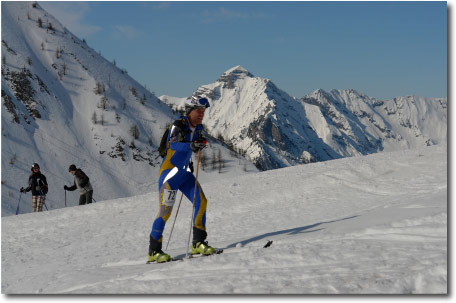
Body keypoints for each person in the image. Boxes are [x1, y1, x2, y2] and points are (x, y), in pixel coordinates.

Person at [148, 96, 215, 263]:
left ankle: (198, 242)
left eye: (203, 111)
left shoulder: (198, 127)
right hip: (170, 175)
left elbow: (195, 143)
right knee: (165, 211)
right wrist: (191, 144)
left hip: (184, 173)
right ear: (190, 111)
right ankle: (154, 251)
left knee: (201, 201)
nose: (202, 114)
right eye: (199, 111)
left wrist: (200, 143)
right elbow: (174, 144)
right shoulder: (178, 125)